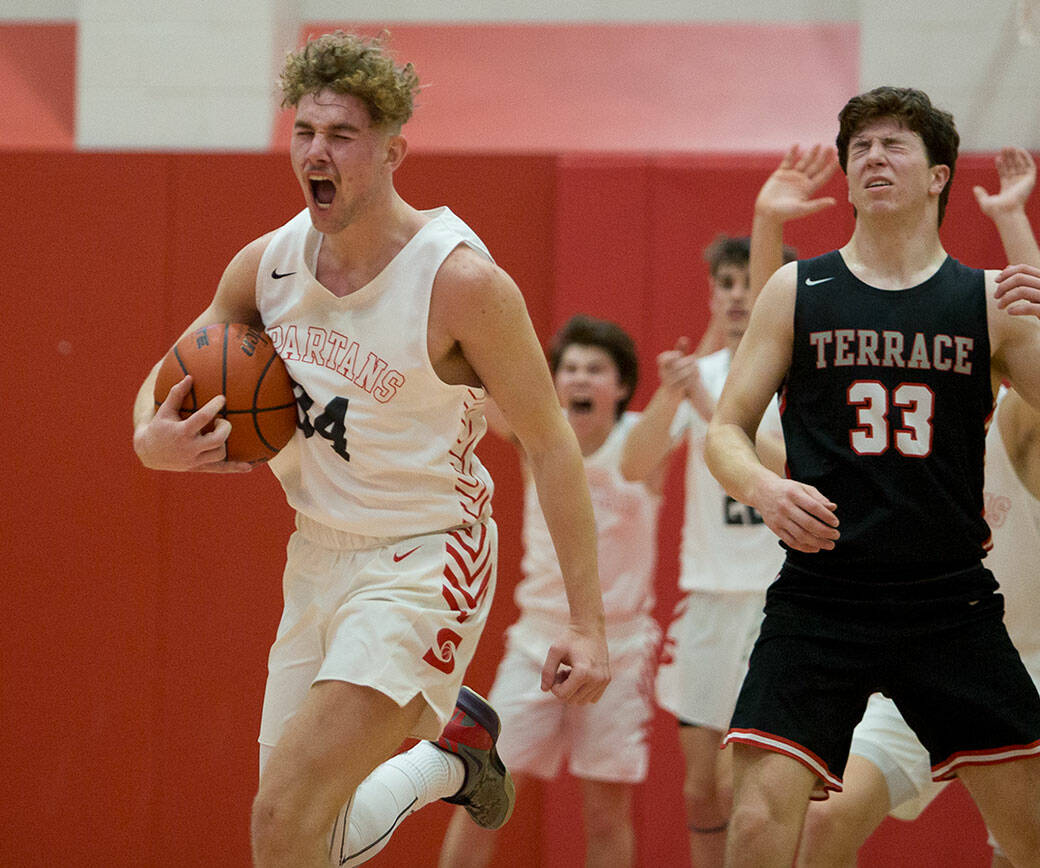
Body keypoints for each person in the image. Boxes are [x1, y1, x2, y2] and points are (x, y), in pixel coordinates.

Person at [130, 31, 610, 867]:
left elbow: (549, 442)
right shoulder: (269, 266)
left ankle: (446, 755)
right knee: (288, 841)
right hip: (317, 557)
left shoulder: (460, 283)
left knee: (284, 819)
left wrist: (587, 621)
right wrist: (152, 441)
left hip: (428, 555)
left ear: (393, 151)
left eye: (341, 136)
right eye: (304, 132)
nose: (317, 152)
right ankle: (451, 756)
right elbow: (170, 372)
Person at [704, 86, 1040, 868]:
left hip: (948, 600)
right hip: (822, 597)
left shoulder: (985, 301)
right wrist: (762, 488)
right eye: (859, 147)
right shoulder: (798, 292)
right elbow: (726, 431)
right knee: (760, 823)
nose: (872, 157)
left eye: (894, 144)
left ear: (938, 176)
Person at [439, 315, 660, 868]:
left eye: (596, 369)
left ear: (623, 386)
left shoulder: (643, 441)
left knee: (607, 815)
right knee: (477, 795)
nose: (581, 379)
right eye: (571, 368)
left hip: (620, 646)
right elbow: (477, 385)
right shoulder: (539, 429)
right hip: (535, 638)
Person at [619, 226, 808, 867]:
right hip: (706, 603)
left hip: (781, 600)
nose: (735, 297)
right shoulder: (697, 374)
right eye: (724, 285)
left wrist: (709, 404)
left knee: (772, 791)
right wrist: (677, 393)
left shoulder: (802, 374)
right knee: (702, 788)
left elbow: (805, 471)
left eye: (748, 284)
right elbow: (632, 464)